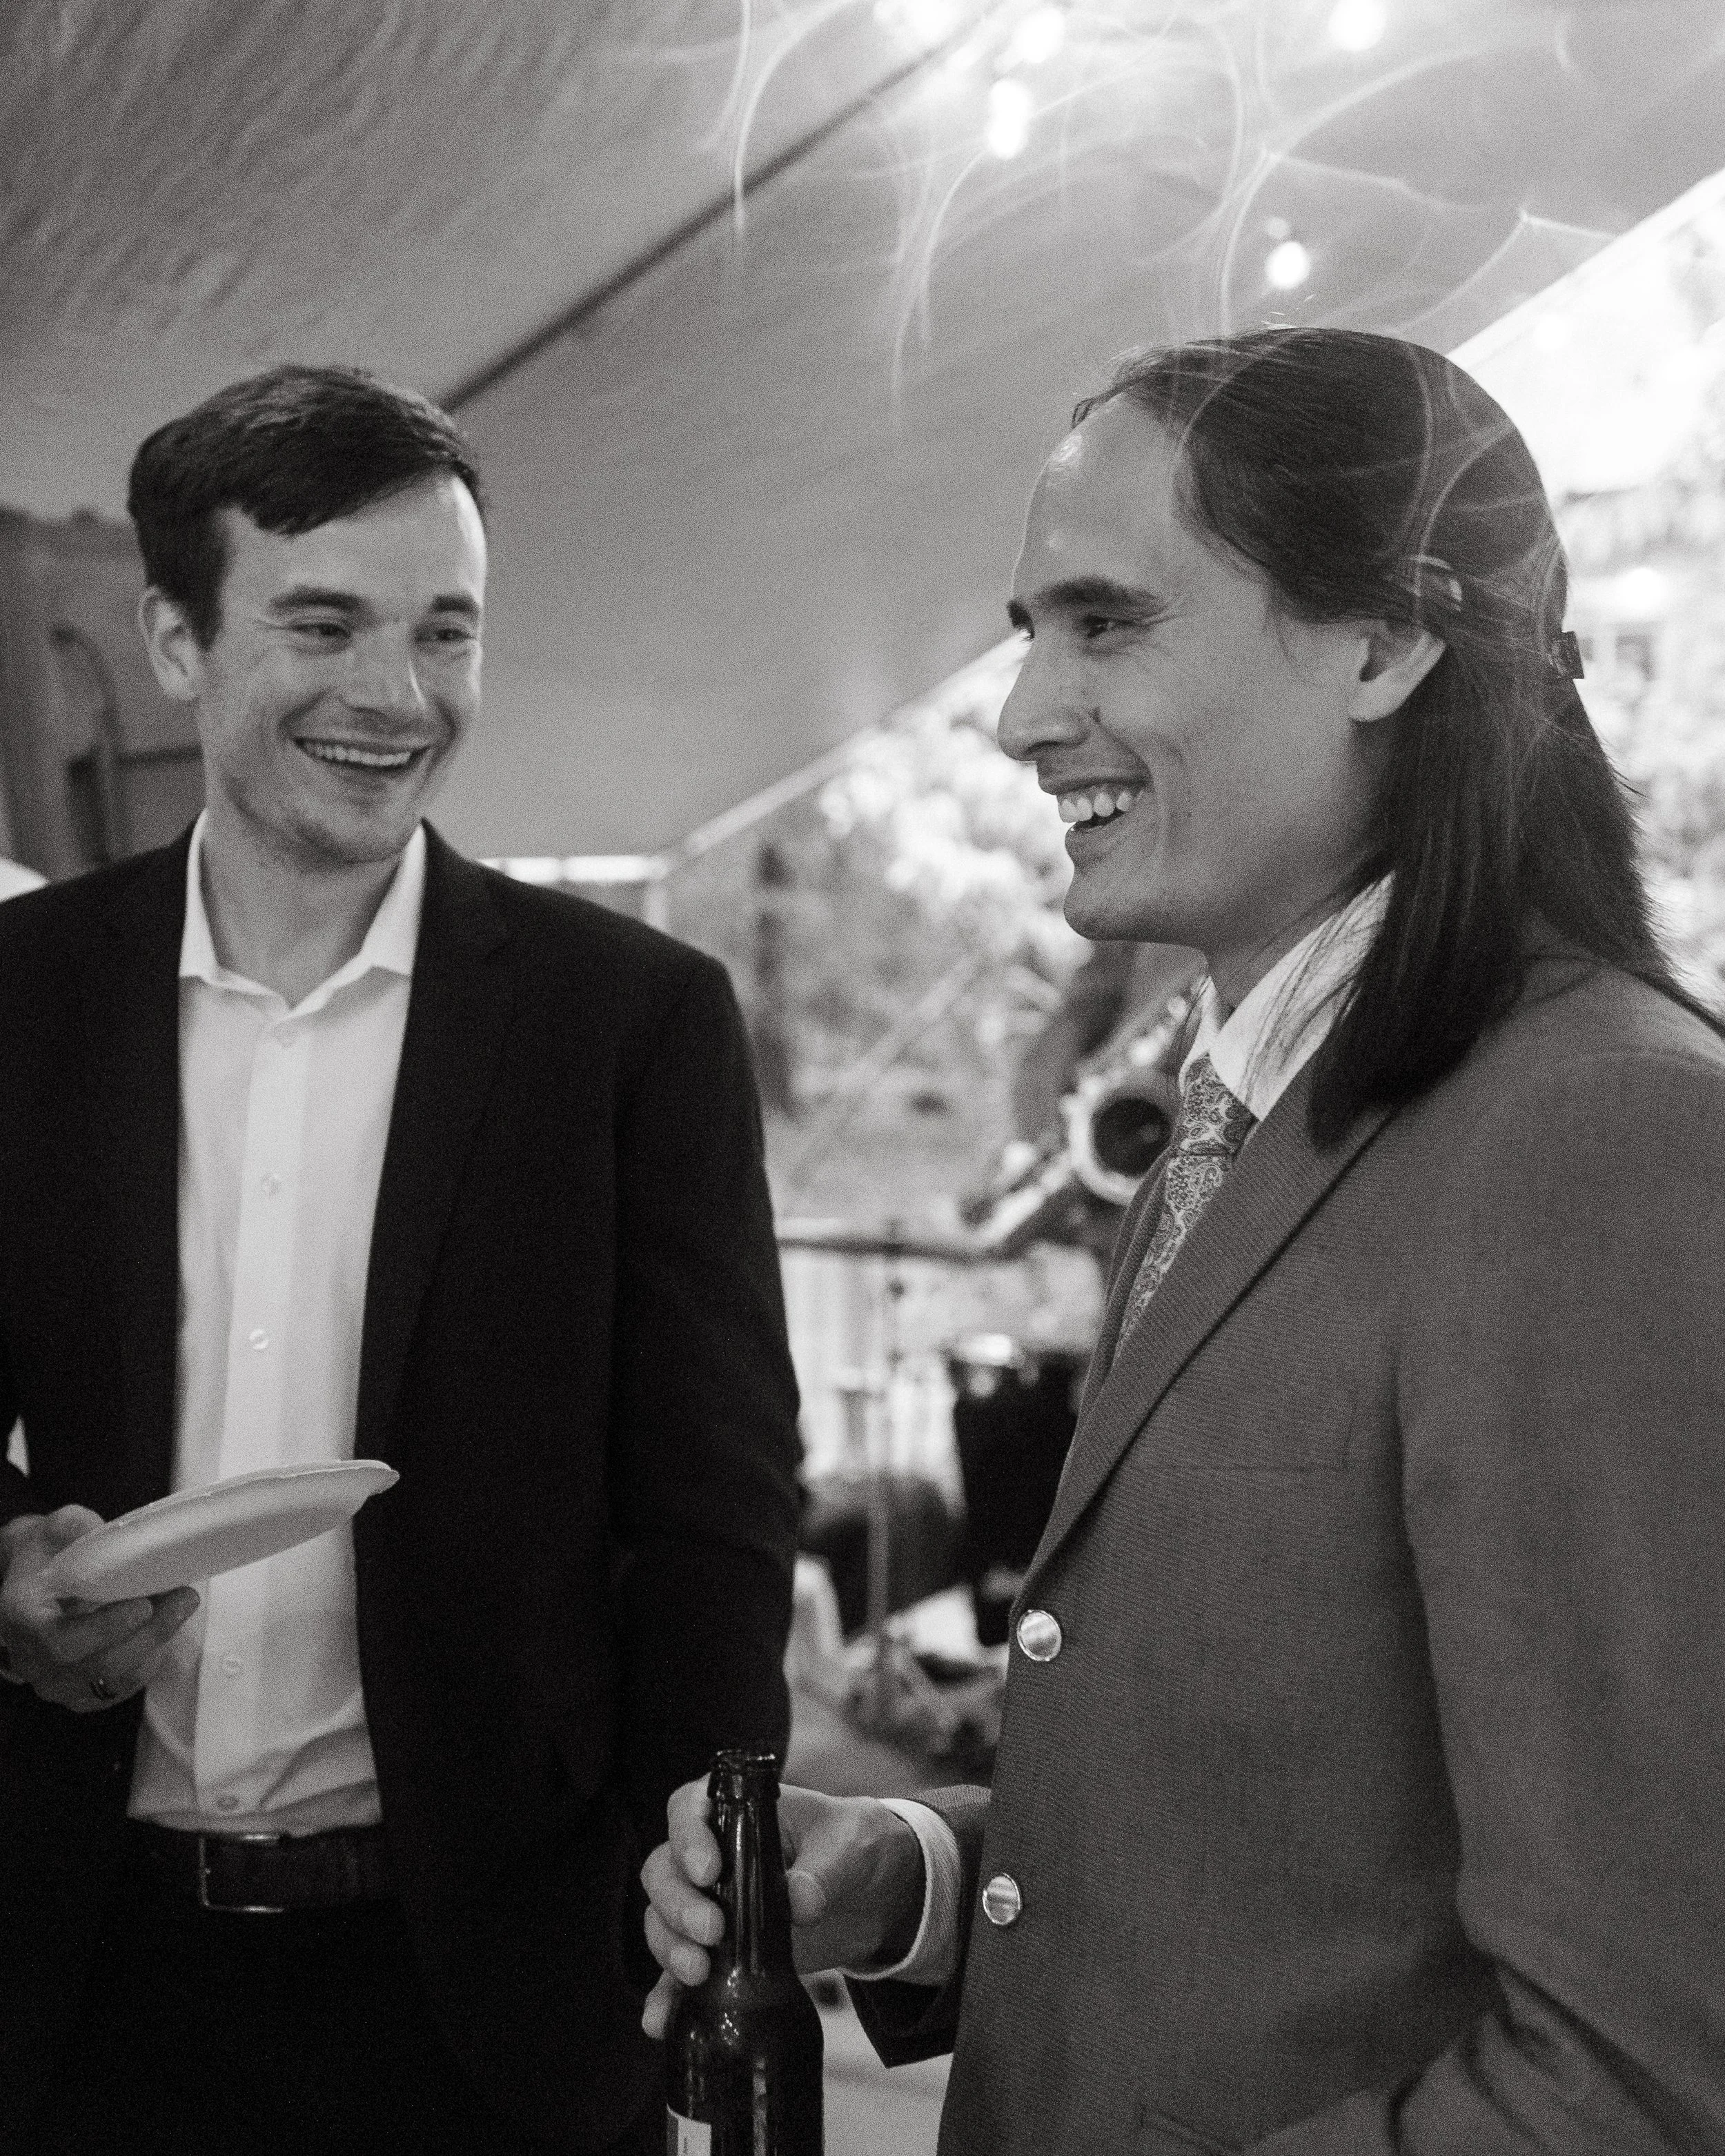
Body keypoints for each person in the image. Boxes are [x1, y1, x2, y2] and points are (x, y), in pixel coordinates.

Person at [642, 328, 1725, 2153]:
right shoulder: (1241, 1113)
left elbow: (1636, 2063)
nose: (1018, 711)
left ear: (1381, 644)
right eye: (1028, 628)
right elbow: (1284, 1858)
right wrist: (901, 1875)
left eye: (1106, 623)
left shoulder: (1602, 1139)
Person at [0, 365, 802, 2156]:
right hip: (74, 1983)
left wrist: (689, 1950)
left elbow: (716, 1532)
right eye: (323, 624)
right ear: (174, 638)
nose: (397, 694)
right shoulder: (25, 1002)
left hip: (494, 2012)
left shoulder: (625, 1027)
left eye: (445, 630)